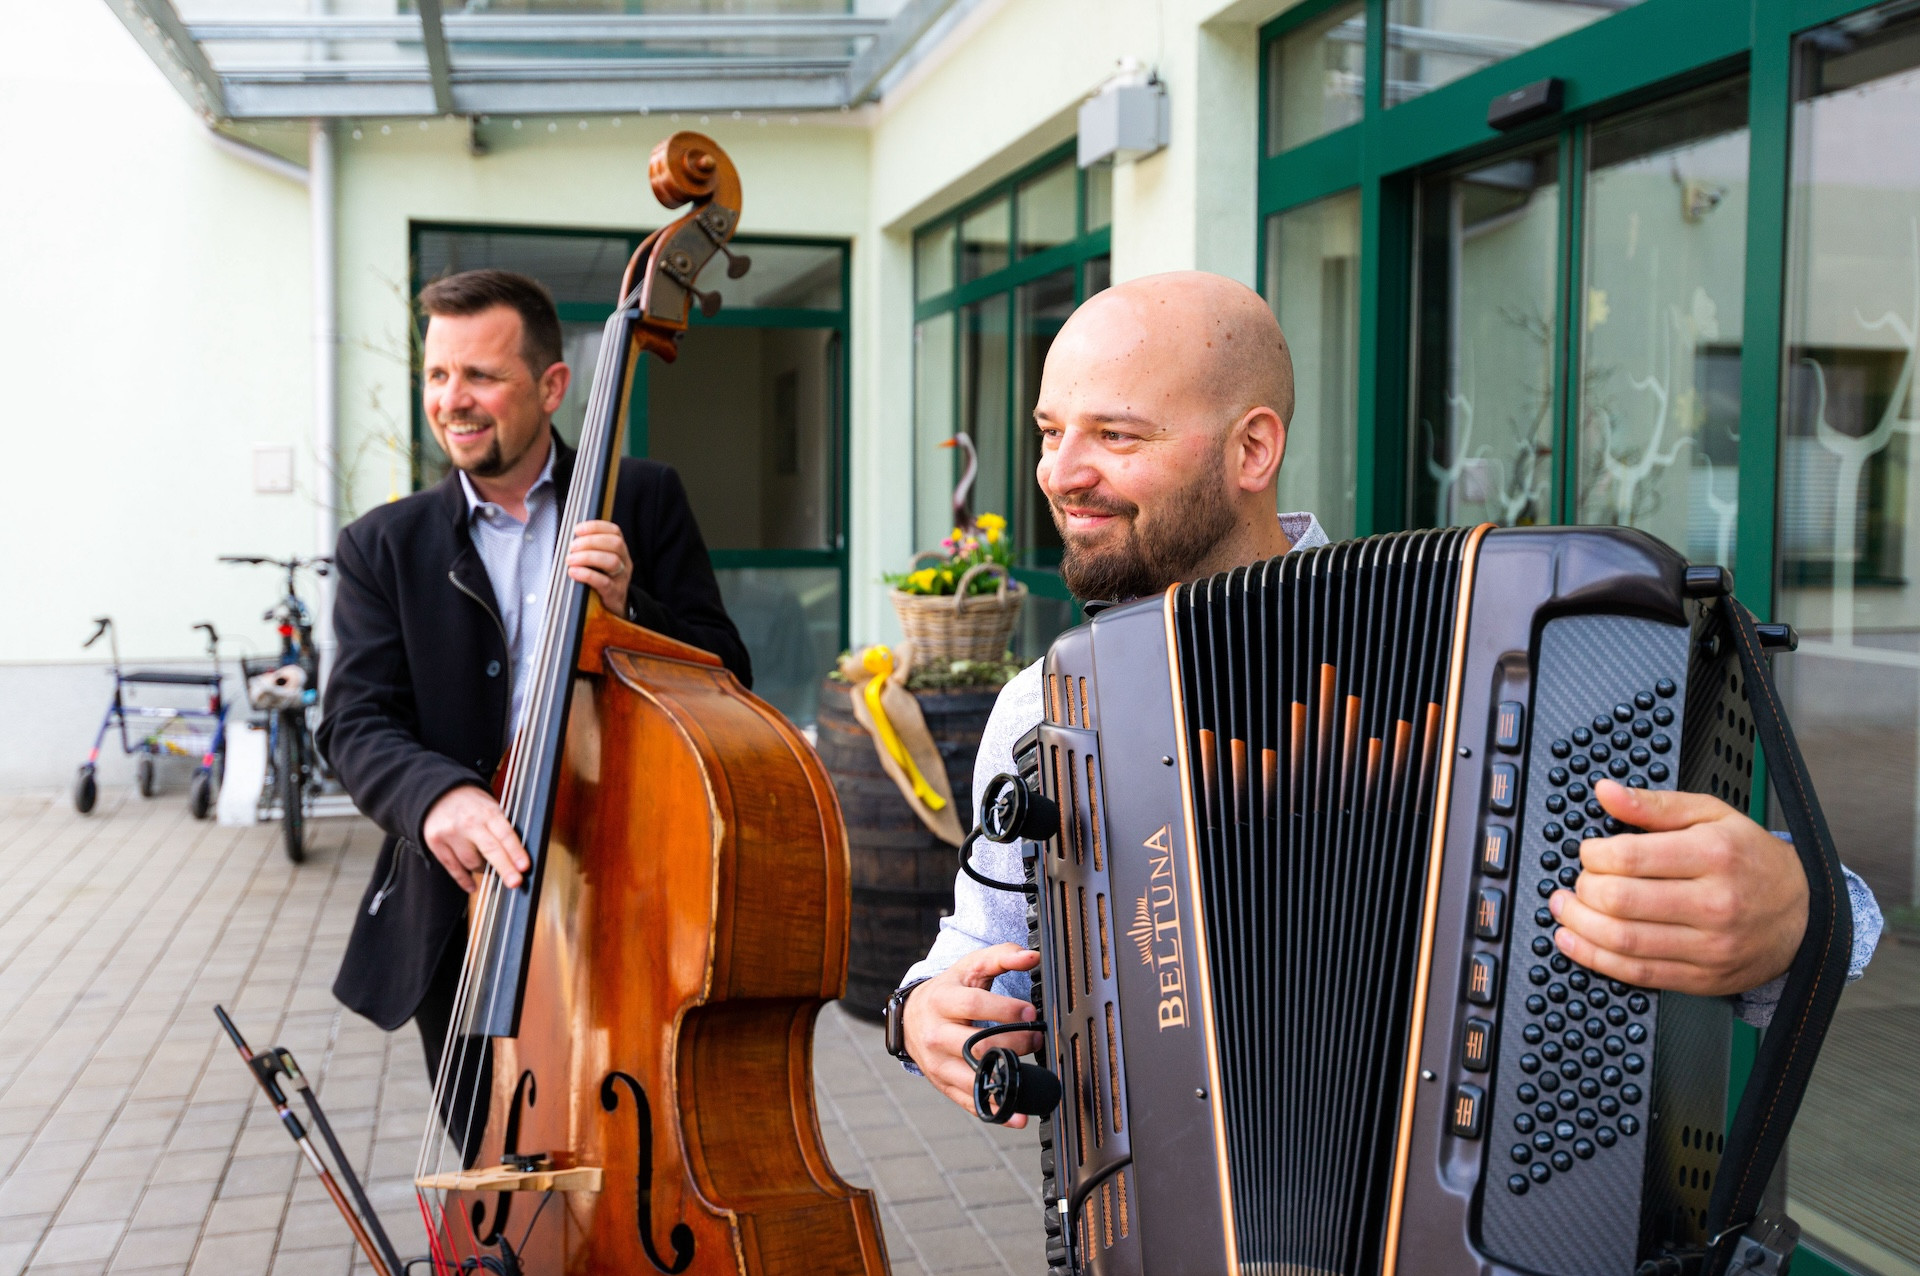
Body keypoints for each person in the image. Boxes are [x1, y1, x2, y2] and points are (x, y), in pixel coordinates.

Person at [892, 270, 1883, 1125]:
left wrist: (1794, 914)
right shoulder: (1046, 712)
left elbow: (1832, 923)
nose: (1060, 474)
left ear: (1251, 451)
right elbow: (980, 951)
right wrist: (921, 1012)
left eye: (1114, 434)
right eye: (1051, 431)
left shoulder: (1473, 646)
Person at [321, 268, 750, 1159]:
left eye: (480, 376)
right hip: (474, 918)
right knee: (498, 1159)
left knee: (653, 1146)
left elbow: (730, 677)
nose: (452, 401)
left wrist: (633, 615)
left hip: (630, 883)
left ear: (553, 386)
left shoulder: (645, 500)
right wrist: (438, 798)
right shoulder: (382, 547)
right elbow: (355, 722)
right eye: (438, 376)